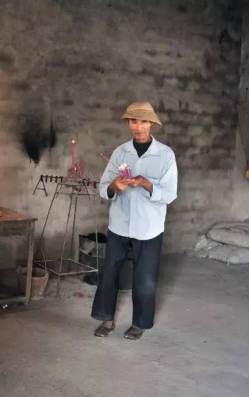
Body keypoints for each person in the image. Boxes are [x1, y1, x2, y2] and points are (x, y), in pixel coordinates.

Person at [91, 101, 178, 340]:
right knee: (110, 272)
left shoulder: (165, 155)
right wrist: (114, 186)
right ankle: (107, 319)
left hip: (149, 227)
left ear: (151, 123)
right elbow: (102, 188)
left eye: (143, 121)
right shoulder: (120, 152)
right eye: (133, 121)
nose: (137, 127)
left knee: (145, 277)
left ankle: (140, 323)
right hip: (119, 223)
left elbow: (170, 194)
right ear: (128, 123)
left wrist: (146, 182)